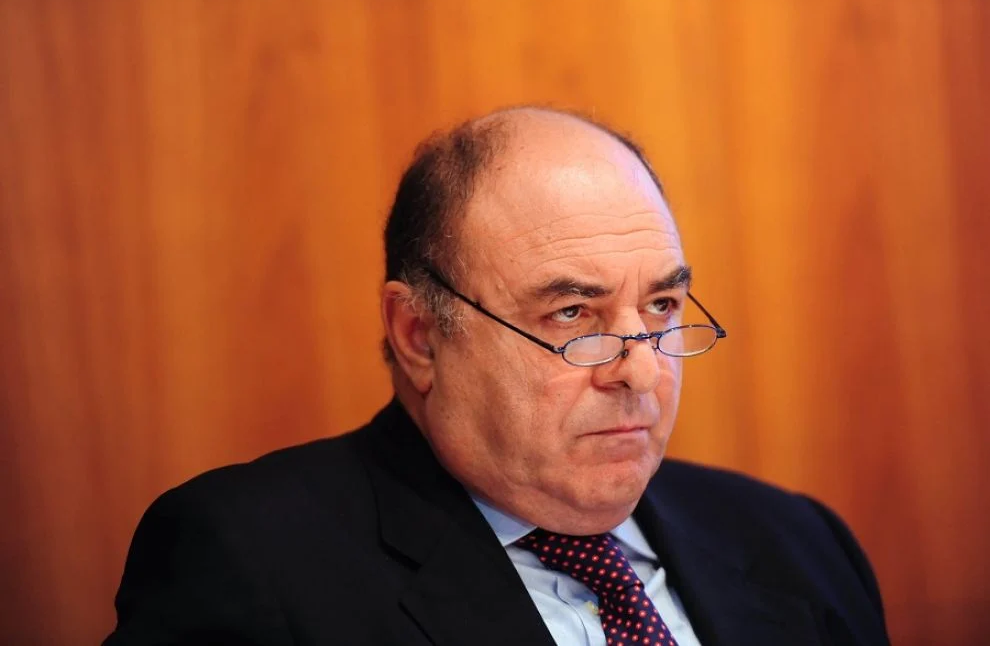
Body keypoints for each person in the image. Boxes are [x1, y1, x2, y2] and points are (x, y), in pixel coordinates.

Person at [104, 107, 890, 645]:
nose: (643, 369)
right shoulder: (250, 561)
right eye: (573, 314)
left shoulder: (798, 542)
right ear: (419, 335)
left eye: (660, 306)